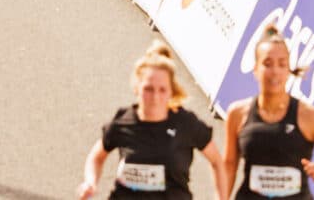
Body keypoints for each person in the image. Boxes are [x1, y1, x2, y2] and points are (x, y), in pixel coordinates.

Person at [78, 46, 228, 200]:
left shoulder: (186, 124)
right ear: (137, 88)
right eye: (148, 89)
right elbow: (97, 157)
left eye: (162, 90)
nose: (155, 97)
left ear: (171, 91)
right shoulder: (123, 122)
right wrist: (90, 182)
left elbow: (217, 161)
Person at [220, 28, 314, 200]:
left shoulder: (310, 116)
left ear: (289, 70)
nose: (275, 71)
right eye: (267, 63)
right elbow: (229, 165)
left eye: (282, 64)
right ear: (255, 69)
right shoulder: (237, 113)